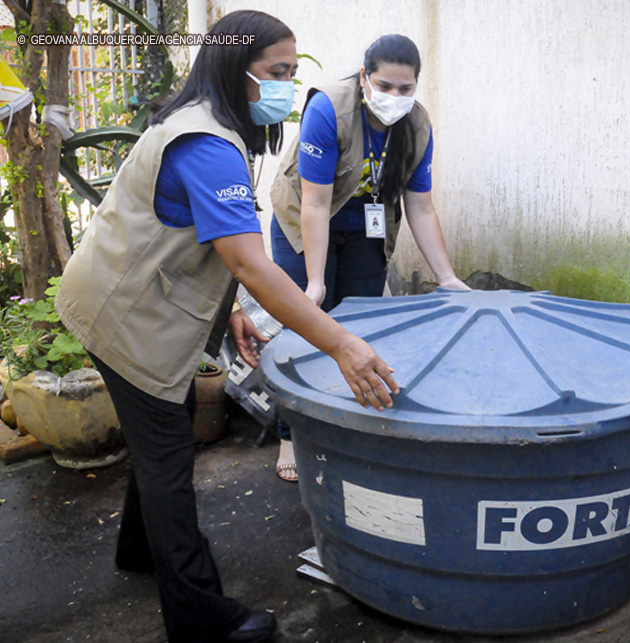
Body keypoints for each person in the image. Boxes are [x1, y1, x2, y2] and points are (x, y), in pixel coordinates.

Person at [55, 11, 398, 643]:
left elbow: (203, 240)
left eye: (293, 73)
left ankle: (139, 550)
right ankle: (201, 619)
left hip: (125, 298)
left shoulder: (206, 123)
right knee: (168, 457)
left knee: (165, 435)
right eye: (277, 73)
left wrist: (230, 310)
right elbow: (248, 259)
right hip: (126, 318)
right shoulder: (208, 144)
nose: (287, 87)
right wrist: (343, 343)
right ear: (233, 68)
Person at [268, 33, 468, 482]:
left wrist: (447, 277)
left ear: (416, 86)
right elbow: (315, 205)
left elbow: (420, 205)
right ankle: (288, 433)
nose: (394, 97)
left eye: (405, 89)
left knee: (361, 324)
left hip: (364, 221)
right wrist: (315, 282)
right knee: (306, 324)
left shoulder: (416, 125)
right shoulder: (329, 109)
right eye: (384, 85)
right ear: (364, 78)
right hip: (305, 216)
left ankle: (344, 424)